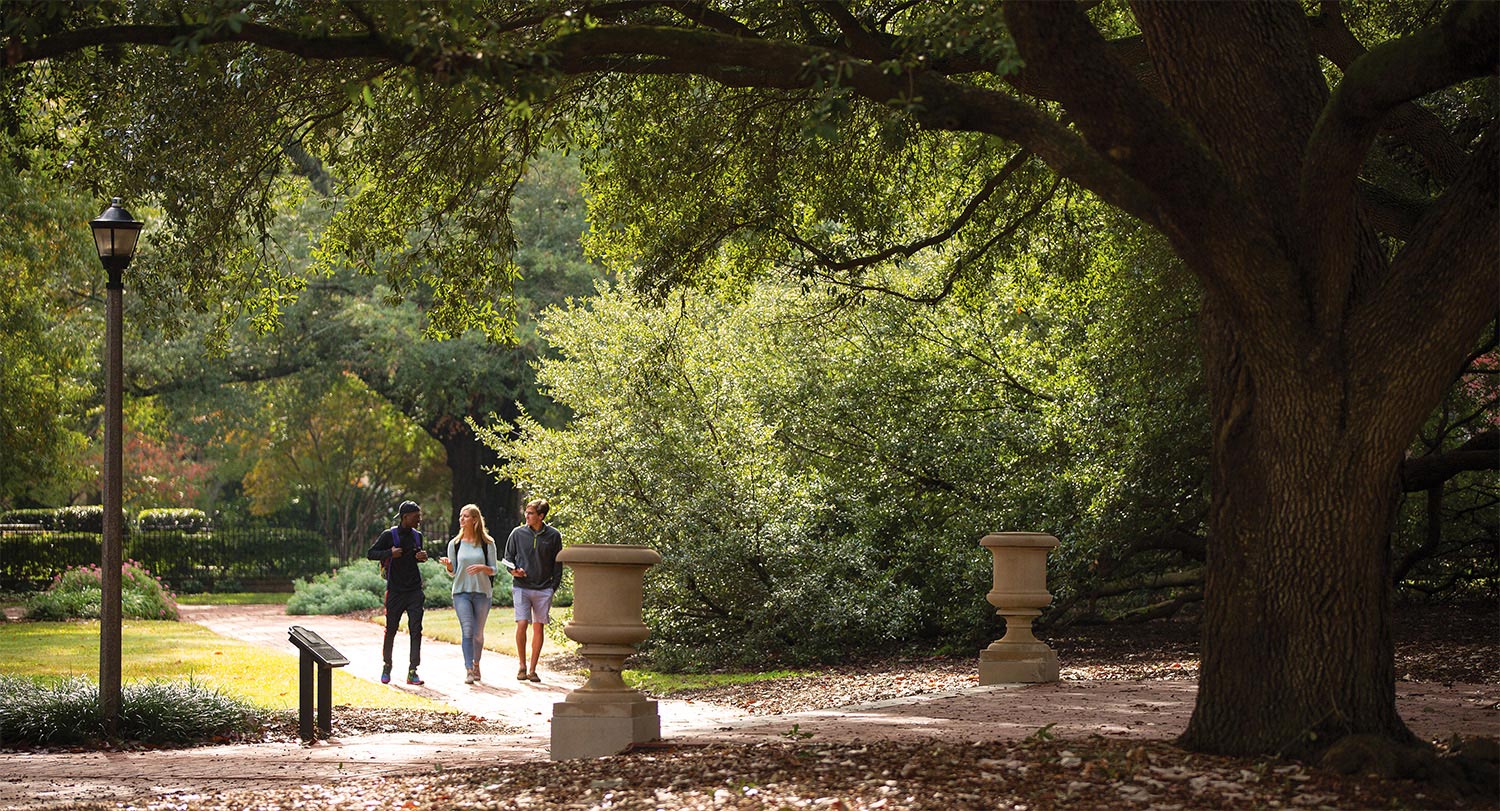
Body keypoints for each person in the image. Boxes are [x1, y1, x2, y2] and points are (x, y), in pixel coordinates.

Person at [367, 500, 429, 685]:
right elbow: (371, 553)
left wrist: (421, 557)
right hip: (395, 590)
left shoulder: (417, 536)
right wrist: (389, 553)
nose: (419, 520)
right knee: (391, 629)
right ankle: (387, 666)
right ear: (405, 517)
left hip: (414, 590)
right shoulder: (389, 535)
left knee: (416, 629)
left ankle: (413, 671)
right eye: (416, 516)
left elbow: (416, 557)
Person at [503, 498, 562, 682]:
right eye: (526, 513)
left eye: (530, 513)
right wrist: (514, 571)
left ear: (541, 516)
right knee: (522, 623)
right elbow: (507, 558)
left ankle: (533, 669)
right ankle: (521, 665)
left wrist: (553, 588)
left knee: (538, 627)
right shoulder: (517, 533)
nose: (526, 516)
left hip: (544, 588)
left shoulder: (553, 536)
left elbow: (557, 564)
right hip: (522, 587)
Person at [440, 503, 498, 684]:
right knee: (467, 630)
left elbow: (494, 570)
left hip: (482, 593)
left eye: (465, 516)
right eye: (460, 516)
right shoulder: (455, 544)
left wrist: (483, 567)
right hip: (461, 593)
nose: (461, 519)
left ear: (474, 519)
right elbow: (453, 572)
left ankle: (477, 662)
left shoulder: (487, 543)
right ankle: (469, 669)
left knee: (478, 634)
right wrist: (449, 565)